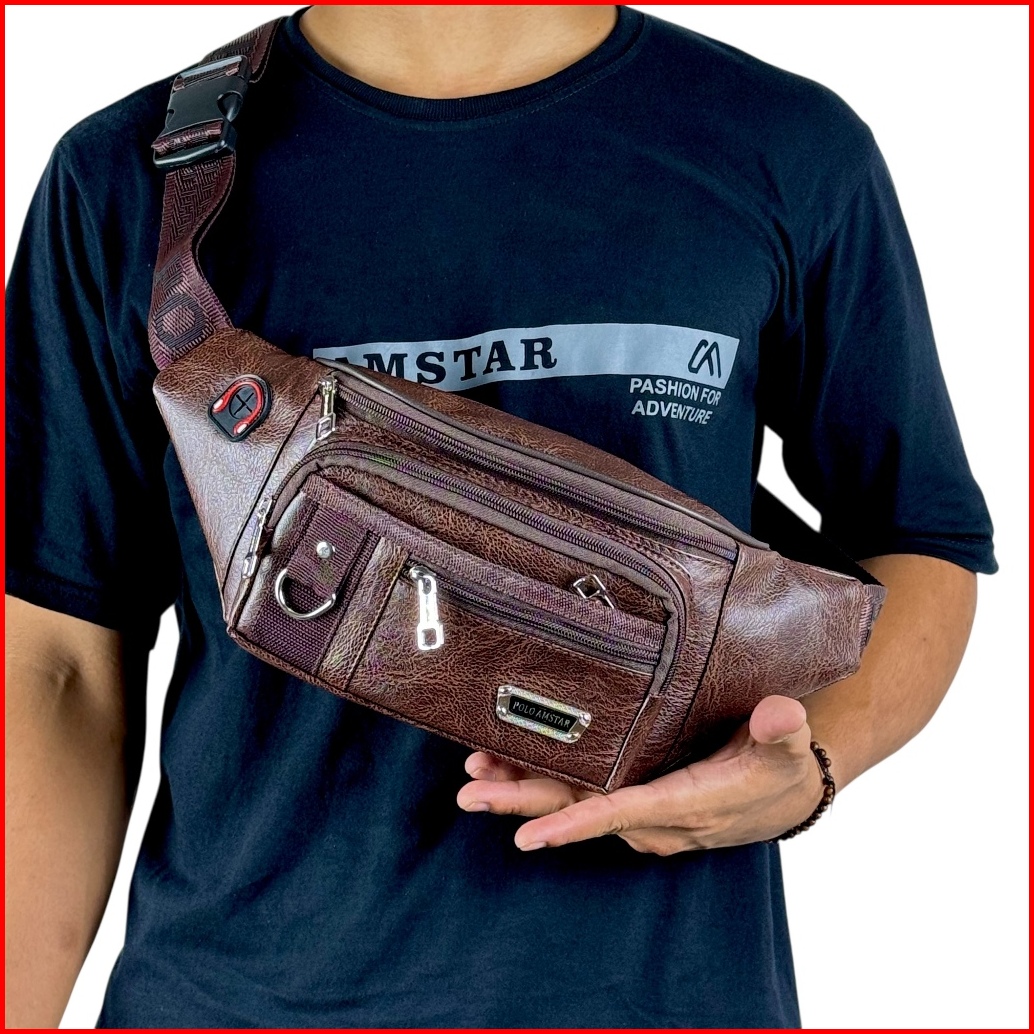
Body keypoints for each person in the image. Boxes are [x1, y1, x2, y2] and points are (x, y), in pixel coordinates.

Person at [5, 5, 996, 1029]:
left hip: (662, 999)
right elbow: (57, 662)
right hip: (229, 999)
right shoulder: (135, 174)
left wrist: (810, 766)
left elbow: (920, 540)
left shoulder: (784, 146)